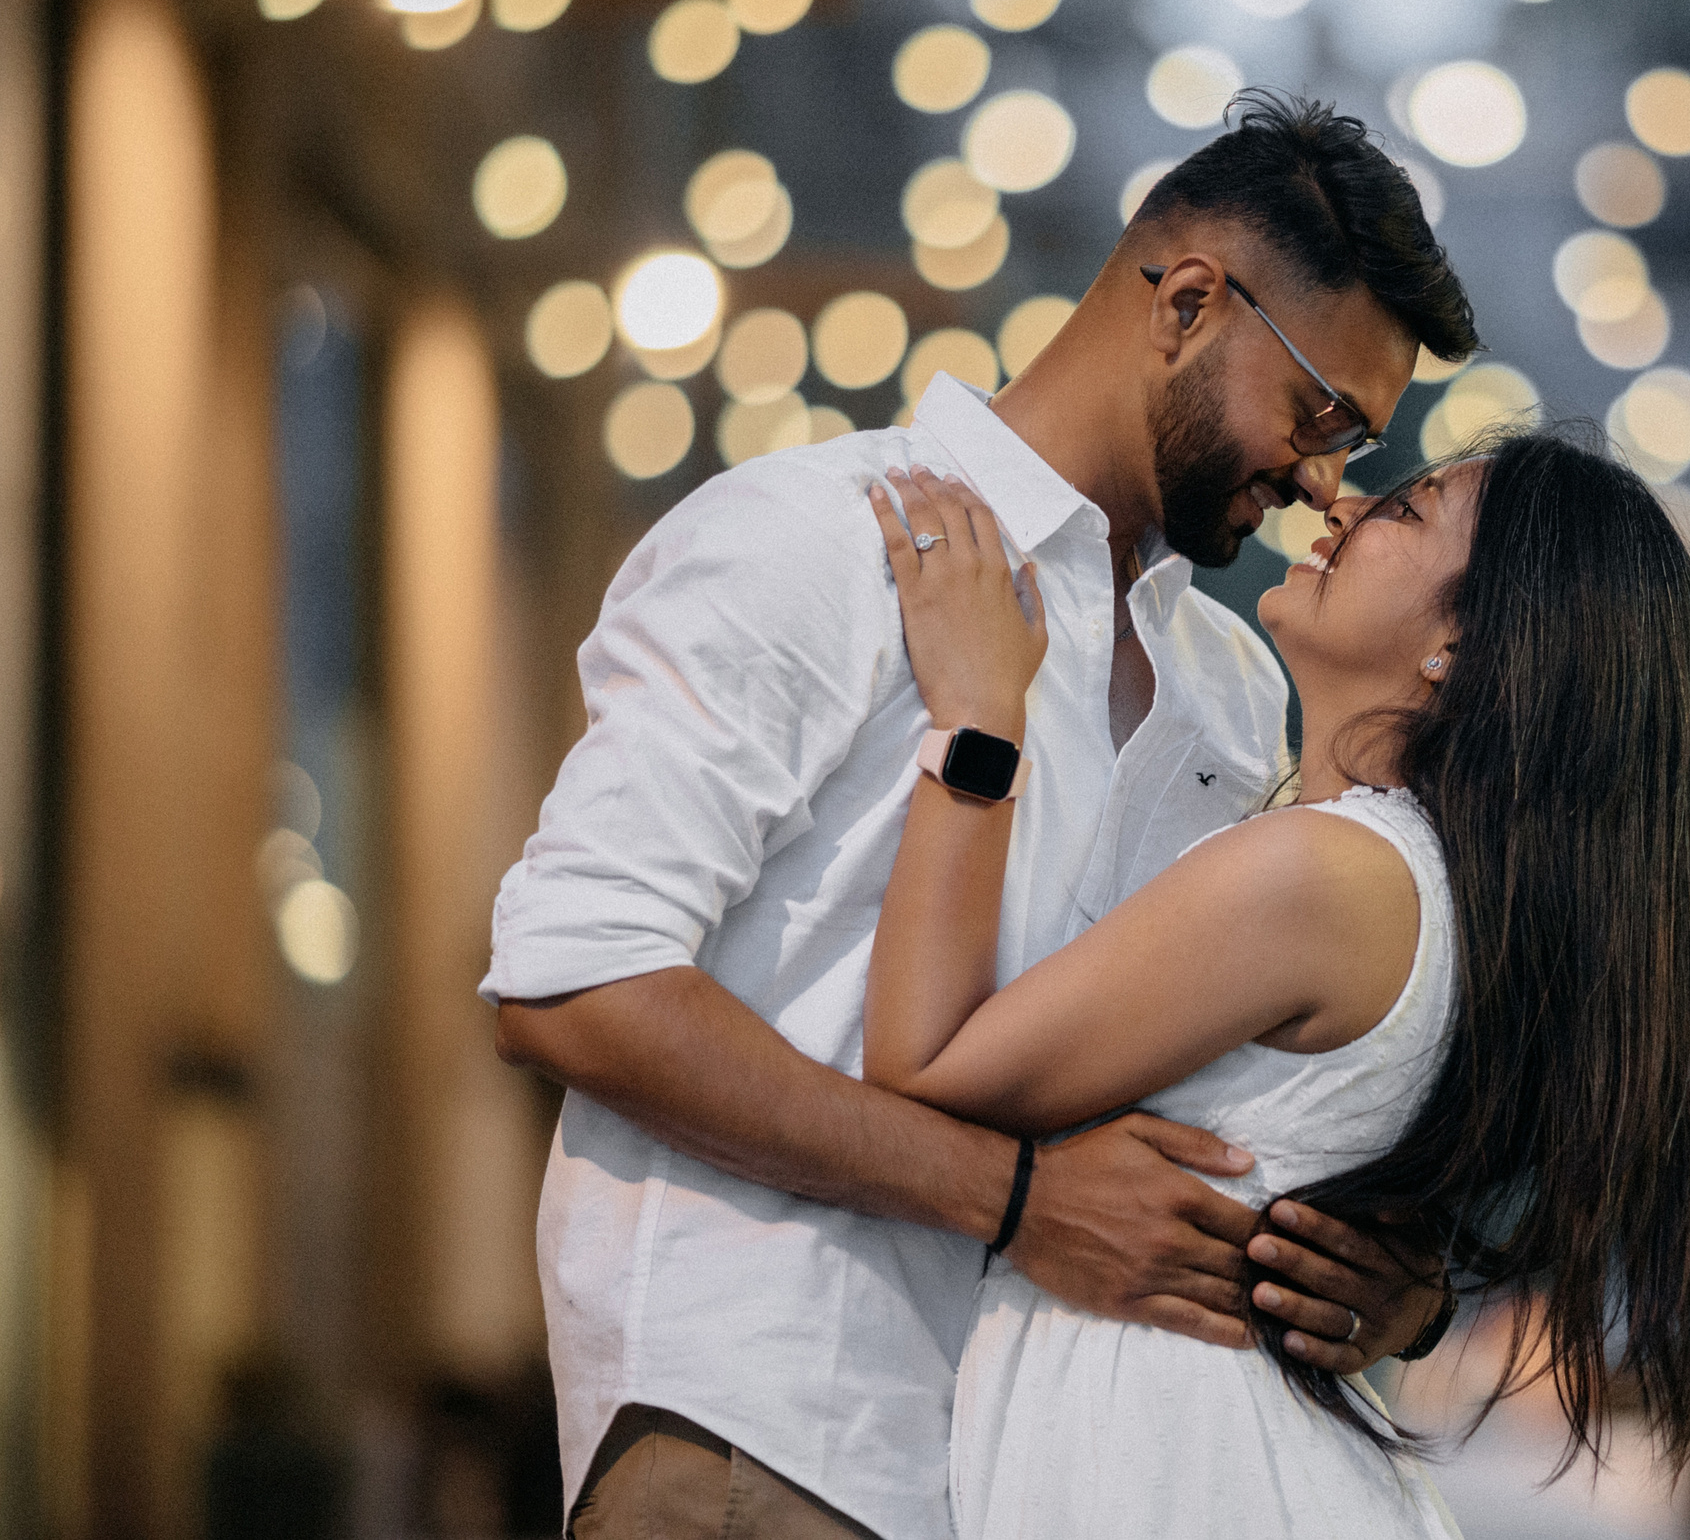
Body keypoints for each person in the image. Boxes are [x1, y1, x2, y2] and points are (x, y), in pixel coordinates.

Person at [482, 92, 1481, 1540]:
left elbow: (1191, 1086)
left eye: (1359, 445)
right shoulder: (818, 539)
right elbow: (574, 988)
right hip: (770, 1431)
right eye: (1320, 413)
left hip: (1037, 1474)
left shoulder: (1227, 685)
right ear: (1189, 304)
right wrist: (1012, 1199)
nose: (1323, 480)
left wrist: (1395, 1282)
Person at [858, 430, 1690, 1539]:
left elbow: (924, 1063)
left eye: (1405, 512)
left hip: (1185, 1470)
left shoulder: (1327, 877)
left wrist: (981, 714)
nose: (1343, 505)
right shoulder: (1429, 889)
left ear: (1459, 648)